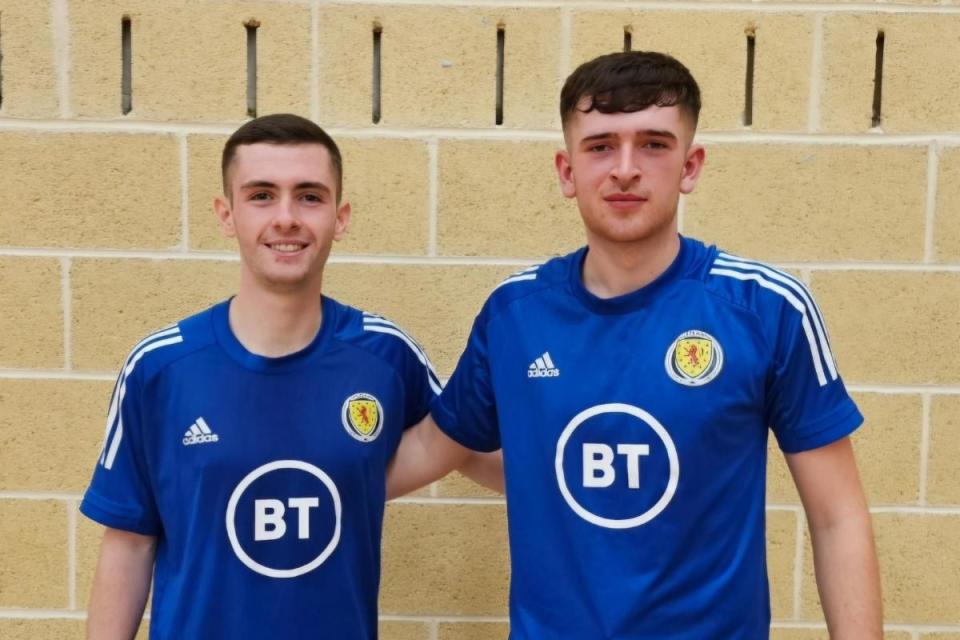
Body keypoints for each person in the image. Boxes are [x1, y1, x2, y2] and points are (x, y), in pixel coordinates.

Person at [388, 51, 882, 638]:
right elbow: (437, 447)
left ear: (690, 166)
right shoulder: (514, 316)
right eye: (600, 146)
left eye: (653, 144)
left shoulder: (766, 309)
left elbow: (836, 518)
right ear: (567, 171)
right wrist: (281, 463)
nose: (625, 169)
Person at [81, 114, 447, 639]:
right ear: (225, 214)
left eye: (309, 196)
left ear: (340, 217)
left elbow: (477, 447)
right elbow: (128, 544)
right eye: (261, 195)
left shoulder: (385, 356)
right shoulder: (160, 367)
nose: (286, 217)